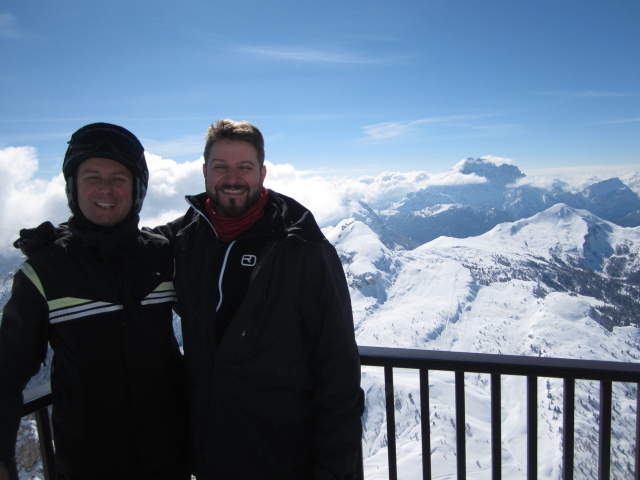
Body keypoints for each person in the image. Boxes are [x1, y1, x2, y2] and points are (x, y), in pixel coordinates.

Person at [157, 119, 364, 479]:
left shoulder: (303, 249)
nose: (232, 178)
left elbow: (339, 370)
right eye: (221, 167)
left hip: (284, 461)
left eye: (245, 167)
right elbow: (125, 248)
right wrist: (68, 241)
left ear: (263, 173)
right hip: (209, 457)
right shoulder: (185, 239)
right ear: (205, 172)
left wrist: (336, 470)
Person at [0, 123, 189, 480]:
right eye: (92, 176)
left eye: (119, 177)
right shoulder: (44, 273)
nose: (106, 189)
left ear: (137, 188)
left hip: (171, 460)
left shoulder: (163, 258)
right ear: (73, 186)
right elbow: (6, 373)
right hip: (88, 467)